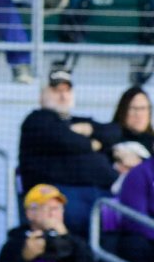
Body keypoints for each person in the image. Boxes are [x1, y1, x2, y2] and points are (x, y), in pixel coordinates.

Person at [18, 69, 118, 236]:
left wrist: (90, 129)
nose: (63, 96)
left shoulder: (78, 121)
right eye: (56, 91)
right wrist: (92, 144)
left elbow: (113, 132)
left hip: (101, 193)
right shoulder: (36, 119)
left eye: (67, 90)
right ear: (42, 96)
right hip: (59, 196)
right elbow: (64, 140)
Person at [0, 184, 95, 262]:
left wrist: (66, 238)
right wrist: (23, 258)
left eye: (57, 208)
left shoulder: (74, 241)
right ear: (30, 213)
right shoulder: (15, 243)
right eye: (47, 208)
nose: (53, 213)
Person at [103, 87, 154, 155]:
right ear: (123, 111)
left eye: (143, 108)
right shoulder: (106, 140)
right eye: (133, 108)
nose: (138, 114)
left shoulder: (152, 143)